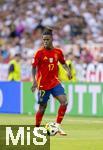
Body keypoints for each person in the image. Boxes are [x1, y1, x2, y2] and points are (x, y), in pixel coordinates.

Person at [31, 27, 72, 135]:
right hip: (43, 84)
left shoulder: (58, 52)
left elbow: (63, 63)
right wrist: (34, 81)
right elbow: (34, 67)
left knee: (64, 102)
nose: (45, 42)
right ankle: (36, 129)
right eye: (43, 40)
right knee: (42, 107)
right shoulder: (39, 53)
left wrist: (68, 71)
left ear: (52, 39)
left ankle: (57, 126)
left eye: (47, 39)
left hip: (55, 82)